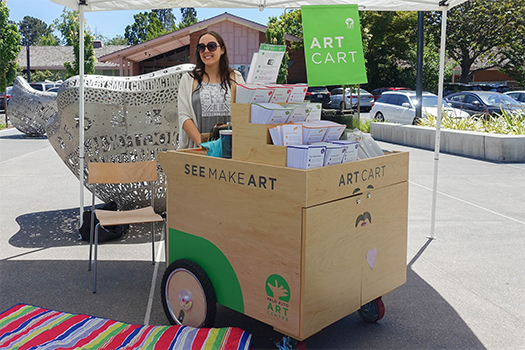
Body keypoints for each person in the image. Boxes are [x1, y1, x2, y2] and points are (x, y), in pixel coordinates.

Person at [177, 31, 245, 149]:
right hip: (199, 151)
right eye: (201, 47)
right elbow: (184, 117)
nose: (206, 51)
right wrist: (204, 145)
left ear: (222, 49)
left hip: (233, 150)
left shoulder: (236, 77)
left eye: (212, 46)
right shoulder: (188, 79)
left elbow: (245, 111)